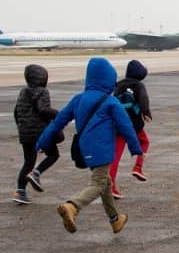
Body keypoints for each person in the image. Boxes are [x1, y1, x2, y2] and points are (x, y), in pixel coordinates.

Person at [36, 57, 142, 234]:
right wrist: (136, 148)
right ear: (108, 79)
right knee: (99, 184)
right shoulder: (110, 101)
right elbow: (126, 126)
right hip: (102, 149)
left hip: (85, 148)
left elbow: (57, 123)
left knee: (105, 182)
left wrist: (43, 142)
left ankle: (115, 219)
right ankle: (72, 206)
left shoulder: (78, 99)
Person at [13, 64, 59, 204]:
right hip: (40, 132)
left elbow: (16, 112)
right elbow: (43, 110)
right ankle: (36, 173)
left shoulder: (23, 91)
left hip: (25, 132)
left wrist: (21, 126)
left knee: (28, 161)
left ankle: (20, 191)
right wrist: (58, 115)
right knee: (53, 154)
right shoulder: (42, 91)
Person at [108, 59, 152, 199]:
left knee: (115, 156)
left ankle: (111, 186)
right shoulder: (139, 85)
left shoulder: (118, 85)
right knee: (144, 142)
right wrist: (146, 112)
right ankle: (138, 167)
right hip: (134, 125)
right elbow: (143, 100)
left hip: (119, 125)